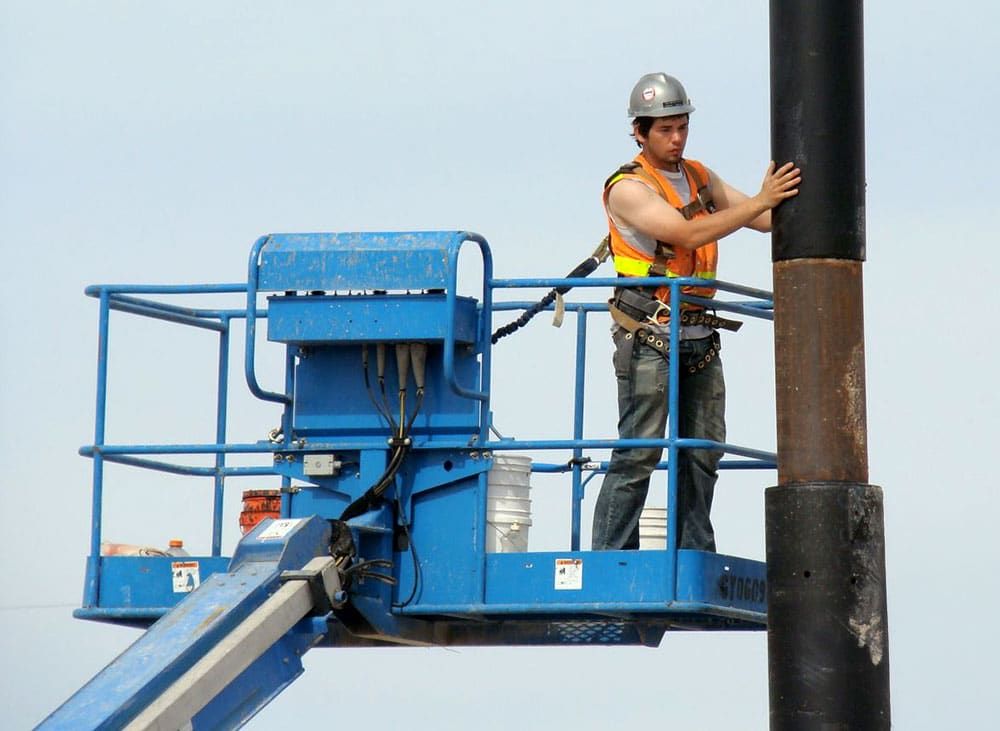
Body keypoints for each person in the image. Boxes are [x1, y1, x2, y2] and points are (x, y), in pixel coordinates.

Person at [591, 72, 800, 551]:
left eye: (682, 126)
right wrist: (761, 203)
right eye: (665, 129)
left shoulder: (700, 177)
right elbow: (685, 235)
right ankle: (607, 556)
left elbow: (765, 218)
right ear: (640, 132)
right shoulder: (627, 187)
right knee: (641, 449)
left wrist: (793, 195)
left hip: (700, 336)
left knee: (703, 450)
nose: (677, 137)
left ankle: (691, 550)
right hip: (650, 334)